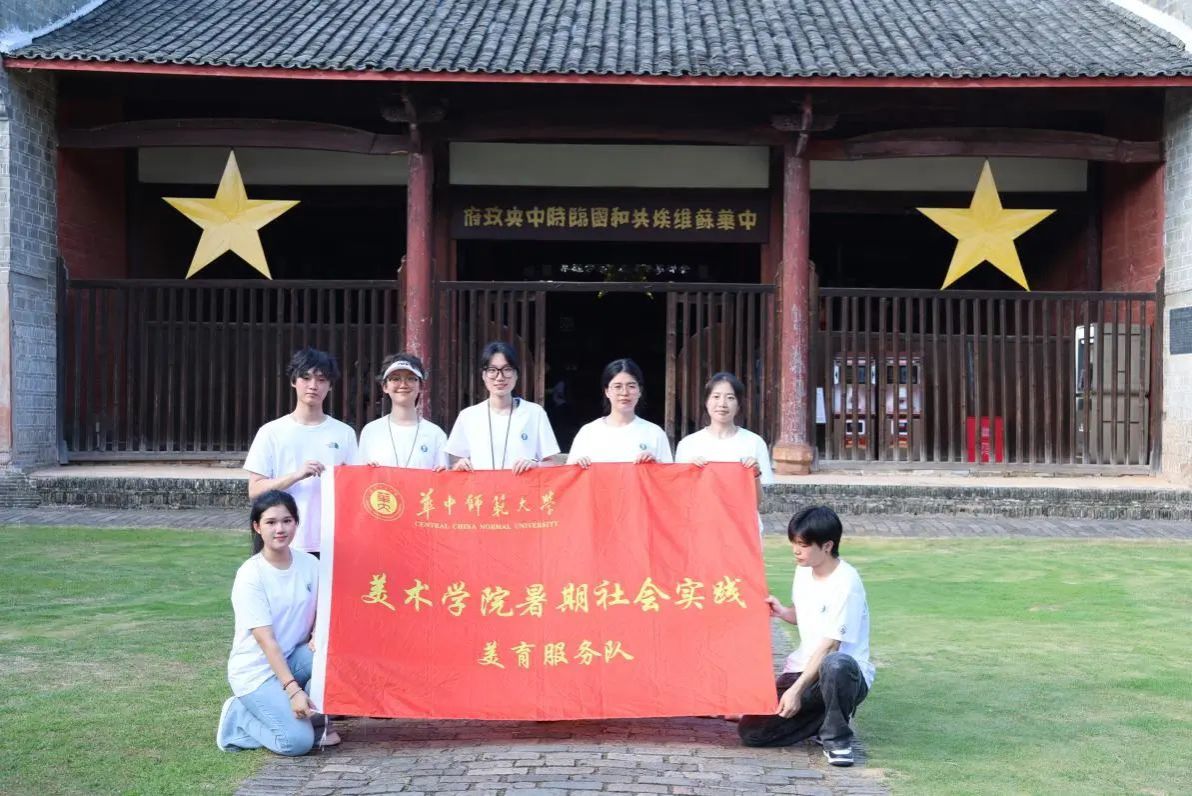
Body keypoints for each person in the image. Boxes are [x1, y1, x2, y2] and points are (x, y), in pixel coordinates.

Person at [738, 506, 874, 767]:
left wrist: (796, 691)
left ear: (827, 546)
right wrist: (782, 612)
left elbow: (831, 645)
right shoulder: (803, 570)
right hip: (804, 668)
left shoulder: (847, 584)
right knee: (751, 731)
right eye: (794, 543)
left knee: (835, 664)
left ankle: (837, 739)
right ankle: (823, 718)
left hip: (844, 676)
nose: (795, 551)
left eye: (803, 545)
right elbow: (805, 614)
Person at [216, 490, 339, 755]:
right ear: (257, 527)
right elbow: (266, 641)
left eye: (287, 521)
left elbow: (325, 609)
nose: (280, 529)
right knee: (297, 742)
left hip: (293, 658)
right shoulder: (251, 575)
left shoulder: (310, 564)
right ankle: (238, 718)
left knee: (330, 655)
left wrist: (317, 633)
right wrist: (293, 690)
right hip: (257, 673)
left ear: (296, 523)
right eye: (271, 522)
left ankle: (315, 720)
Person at [243, 348, 358, 556]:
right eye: (306, 378)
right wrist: (296, 475)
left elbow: (356, 490)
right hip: (282, 540)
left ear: (330, 386)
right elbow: (255, 490)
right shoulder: (271, 432)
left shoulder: (344, 433)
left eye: (321, 380)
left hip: (331, 541)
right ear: (293, 381)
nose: (313, 386)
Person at [445, 341, 561, 473]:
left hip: (523, 486)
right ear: (483, 375)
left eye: (507, 370)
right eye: (492, 370)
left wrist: (536, 465)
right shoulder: (468, 416)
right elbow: (453, 462)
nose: (500, 377)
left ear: (516, 375)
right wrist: (458, 465)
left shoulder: (534, 413)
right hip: (481, 486)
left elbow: (553, 462)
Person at [675, 371, 774, 511]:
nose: (722, 404)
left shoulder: (754, 442)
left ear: (738, 405)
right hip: (702, 521)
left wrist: (755, 476)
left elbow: (759, 504)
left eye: (730, 398)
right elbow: (680, 496)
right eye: (716, 396)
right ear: (706, 402)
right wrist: (689, 472)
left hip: (742, 522)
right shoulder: (688, 444)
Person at [567, 358, 673, 467]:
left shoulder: (654, 433)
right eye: (618, 386)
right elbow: (570, 474)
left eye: (631, 386)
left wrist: (655, 466)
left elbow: (668, 475)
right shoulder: (588, 432)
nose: (625, 392)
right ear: (607, 391)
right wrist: (577, 465)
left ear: (640, 391)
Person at [356, 352, 447, 470]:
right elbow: (361, 476)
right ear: (385, 387)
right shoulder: (371, 431)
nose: (403, 384)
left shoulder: (435, 434)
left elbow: (443, 477)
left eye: (411, 378)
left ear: (421, 386)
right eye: (395, 379)